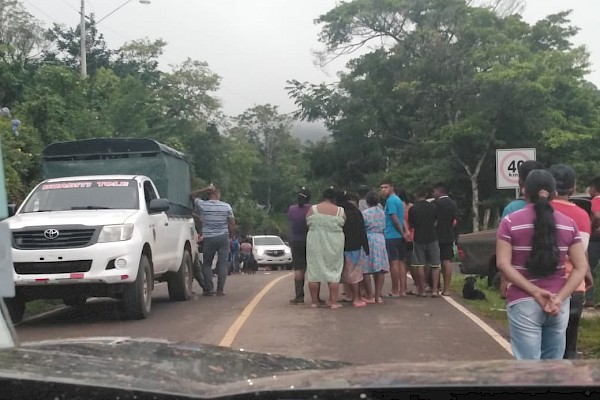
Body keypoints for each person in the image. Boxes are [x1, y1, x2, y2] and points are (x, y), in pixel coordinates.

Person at [496, 169, 588, 359]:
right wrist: (560, 298)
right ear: (554, 194)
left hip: (523, 302)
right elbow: (581, 267)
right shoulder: (569, 224)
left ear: (524, 192)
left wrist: (535, 292)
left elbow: (503, 264)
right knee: (553, 369)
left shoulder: (509, 222)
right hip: (558, 305)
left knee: (528, 368)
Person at [549, 164, 594, 358]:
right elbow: (580, 253)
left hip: (542, 287)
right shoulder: (582, 216)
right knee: (569, 349)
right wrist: (587, 274)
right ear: (574, 188)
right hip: (574, 286)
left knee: (543, 350)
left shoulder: (534, 211)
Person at [499, 161, 545, 298]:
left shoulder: (511, 209)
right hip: (552, 284)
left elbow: (504, 252)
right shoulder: (555, 210)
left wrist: (504, 280)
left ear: (520, 182)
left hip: (519, 282)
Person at [190, 183, 236, 296]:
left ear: (209, 194)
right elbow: (232, 223)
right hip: (223, 237)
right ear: (218, 194)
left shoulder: (203, 205)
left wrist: (205, 189)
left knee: (207, 264)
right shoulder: (226, 206)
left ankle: (209, 289)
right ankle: (220, 289)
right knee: (222, 263)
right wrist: (231, 235)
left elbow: (191, 195)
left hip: (209, 238)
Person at [306, 187, 346, 309]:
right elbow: (344, 223)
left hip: (315, 242)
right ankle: (333, 302)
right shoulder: (340, 210)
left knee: (314, 271)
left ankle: (314, 302)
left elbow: (307, 222)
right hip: (334, 243)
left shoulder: (313, 209)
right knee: (334, 271)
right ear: (334, 198)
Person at [409, 187, 441, 297]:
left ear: (415, 195)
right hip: (432, 237)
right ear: (426, 194)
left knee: (420, 264)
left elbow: (411, 225)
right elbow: (436, 221)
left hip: (419, 238)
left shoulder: (413, 209)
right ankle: (435, 290)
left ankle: (422, 290)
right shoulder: (433, 206)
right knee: (435, 264)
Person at [340, 192, 370, 307]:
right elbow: (363, 231)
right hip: (355, 247)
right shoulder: (357, 213)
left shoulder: (340, 213)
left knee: (344, 272)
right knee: (355, 274)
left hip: (342, 246)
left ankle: (348, 295)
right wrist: (366, 247)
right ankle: (356, 298)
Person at [380, 179, 407, 297]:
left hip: (392, 235)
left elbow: (395, 219)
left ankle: (395, 290)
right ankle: (403, 289)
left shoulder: (390, 201)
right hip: (399, 236)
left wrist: (401, 232)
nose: (383, 190)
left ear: (391, 187)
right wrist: (404, 233)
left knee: (393, 263)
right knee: (401, 262)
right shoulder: (399, 200)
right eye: (381, 188)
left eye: (385, 187)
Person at [361, 191, 389, 303]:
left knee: (366, 268)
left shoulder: (365, 213)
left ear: (367, 202)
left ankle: (369, 295)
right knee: (380, 268)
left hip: (368, 238)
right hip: (380, 239)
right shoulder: (383, 213)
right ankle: (378, 295)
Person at [288, 187, 312, 305]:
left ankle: (299, 296)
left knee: (298, 269)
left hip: (296, 241)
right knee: (313, 269)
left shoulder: (292, 209)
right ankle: (315, 297)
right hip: (310, 240)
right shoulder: (312, 209)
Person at [433, 182, 457, 297]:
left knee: (435, 263)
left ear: (438, 190)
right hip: (449, 234)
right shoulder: (453, 203)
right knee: (447, 261)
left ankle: (435, 287)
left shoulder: (435, 204)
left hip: (436, 234)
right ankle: (446, 289)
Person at [585, 176, 600, 308]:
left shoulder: (596, 199)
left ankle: (589, 299)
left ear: (594, 189)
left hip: (596, 239)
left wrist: (592, 226)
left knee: (589, 267)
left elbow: (597, 215)